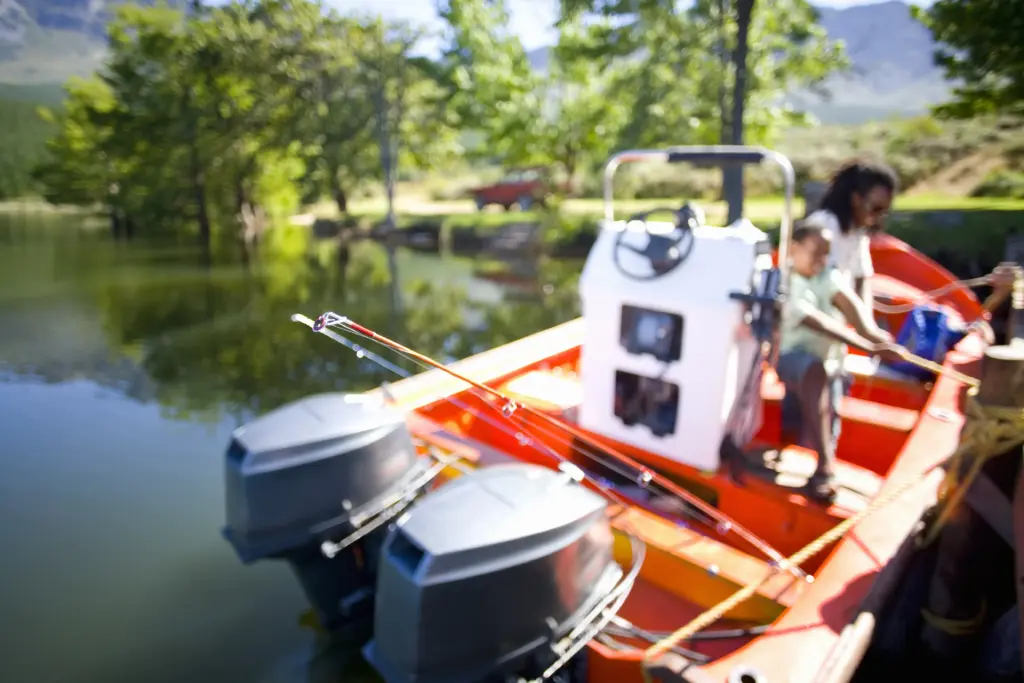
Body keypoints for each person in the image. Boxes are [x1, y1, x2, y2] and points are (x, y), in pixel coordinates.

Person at [779, 222, 907, 502]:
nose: (822, 261)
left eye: (826, 254)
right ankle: (824, 467)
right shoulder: (783, 281)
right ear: (794, 249)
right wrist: (870, 346)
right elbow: (818, 321)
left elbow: (852, 308)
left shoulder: (827, 274)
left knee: (823, 405)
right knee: (811, 375)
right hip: (792, 360)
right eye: (816, 253)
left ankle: (819, 465)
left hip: (829, 364)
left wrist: (878, 337)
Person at [803, 160, 899, 313]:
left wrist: (867, 325)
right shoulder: (822, 226)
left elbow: (862, 279)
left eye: (884, 212)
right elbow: (825, 287)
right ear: (856, 199)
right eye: (875, 209)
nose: (878, 218)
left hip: (841, 322)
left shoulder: (858, 233)